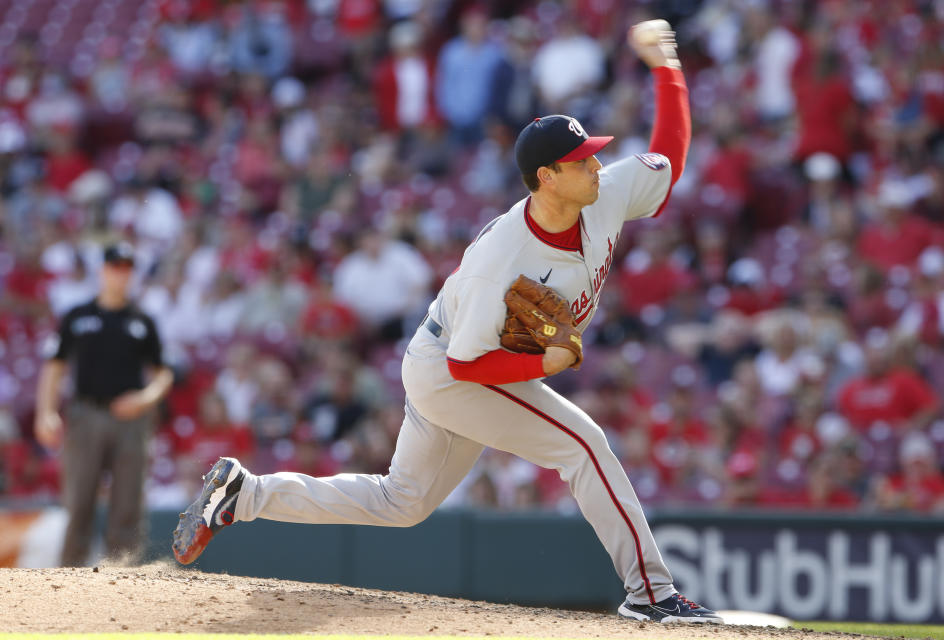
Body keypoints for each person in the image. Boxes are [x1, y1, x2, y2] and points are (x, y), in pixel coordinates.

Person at [173, 20, 723, 624]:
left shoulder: (606, 192)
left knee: (401, 502)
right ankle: (652, 593)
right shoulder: (502, 257)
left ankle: (243, 494)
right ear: (546, 178)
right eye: (581, 161)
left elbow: (667, 158)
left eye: (593, 156)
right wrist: (545, 363)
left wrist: (667, 68)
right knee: (584, 446)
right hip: (453, 369)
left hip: (452, 358)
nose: (596, 165)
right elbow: (467, 363)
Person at [35, 242, 173, 566]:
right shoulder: (77, 316)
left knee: (128, 502)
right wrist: (46, 411)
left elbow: (162, 372)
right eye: (114, 267)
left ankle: (123, 576)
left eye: (126, 268)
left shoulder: (142, 320)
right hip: (86, 414)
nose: (120, 274)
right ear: (102, 271)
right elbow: (54, 366)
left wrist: (145, 398)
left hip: (131, 419)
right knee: (79, 500)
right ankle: (69, 577)